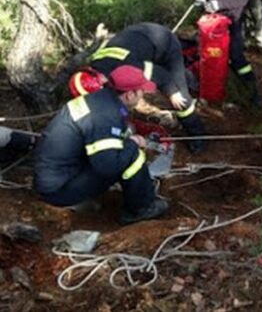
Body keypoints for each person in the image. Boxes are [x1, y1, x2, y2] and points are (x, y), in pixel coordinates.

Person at [34, 66, 169, 225]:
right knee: (133, 155)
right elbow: (107, 166)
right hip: (59, 190)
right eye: (141, 92)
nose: (142, 95)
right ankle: (141, 208)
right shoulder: (106, 117)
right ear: (129, 94)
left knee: (124, 148)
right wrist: (133, 143)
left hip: (53, 177)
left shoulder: (99, 100)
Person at [69, 22, 206, 154]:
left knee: (181, 100)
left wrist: (173, 92)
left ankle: (197, 136)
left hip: (164, 44)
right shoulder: (94, 70)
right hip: (140, 38)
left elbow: (161, 75)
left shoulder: (124, 68)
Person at [188, 0, 262, 106]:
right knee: (208, 54)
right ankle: (209, 87)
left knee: (236, 56)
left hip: (232, 20)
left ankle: (252, 90)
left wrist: (220, 4)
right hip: (211, 21)